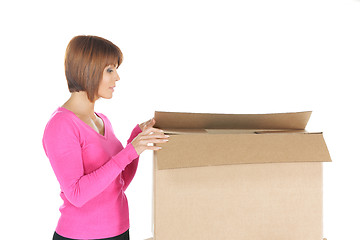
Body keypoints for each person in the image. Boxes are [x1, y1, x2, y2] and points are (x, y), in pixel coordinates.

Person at [42, 35, 170, 240]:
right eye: (110, 70)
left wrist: (136, 139)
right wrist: (130, 151)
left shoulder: (103, 121)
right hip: (81, 236)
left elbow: (116, 184)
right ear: (88, 70)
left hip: (119, 231)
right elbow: (77, 194)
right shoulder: (61, 125)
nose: (117, 77)